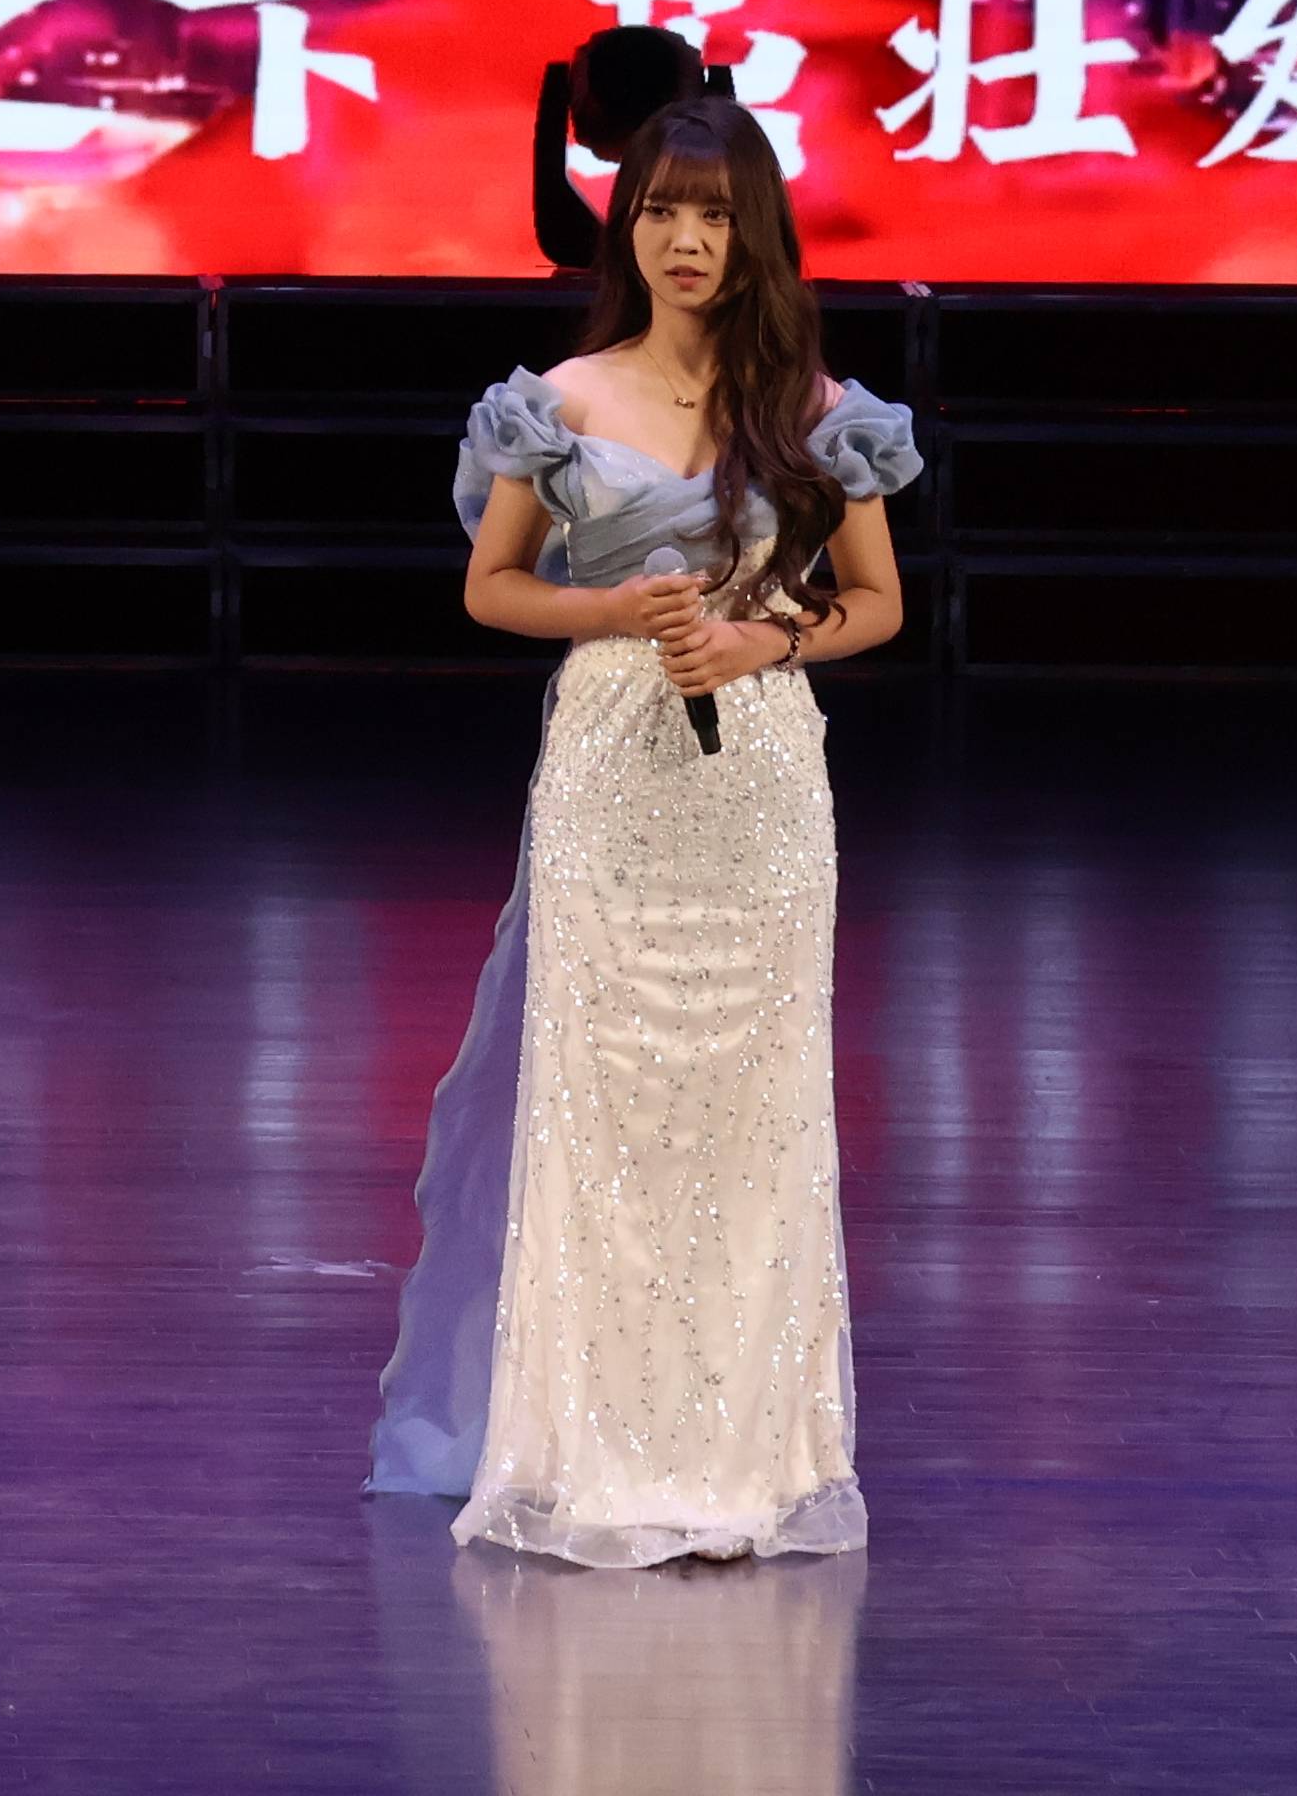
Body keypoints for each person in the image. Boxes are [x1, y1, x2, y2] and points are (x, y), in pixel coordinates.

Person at [368, 95, 918, 1568]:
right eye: (662, 211)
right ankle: (596, 1457)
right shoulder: (557, 401)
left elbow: (880, 604)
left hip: (762, 786)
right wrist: (612, 608)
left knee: (753, 1113)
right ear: (628, 229)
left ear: (756, 234)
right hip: (612, 771)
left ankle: (749, 1459)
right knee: (601, 1106)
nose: (686, 240)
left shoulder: (819, 410)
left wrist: (765, 642)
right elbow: (491, 587)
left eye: (715, 214)